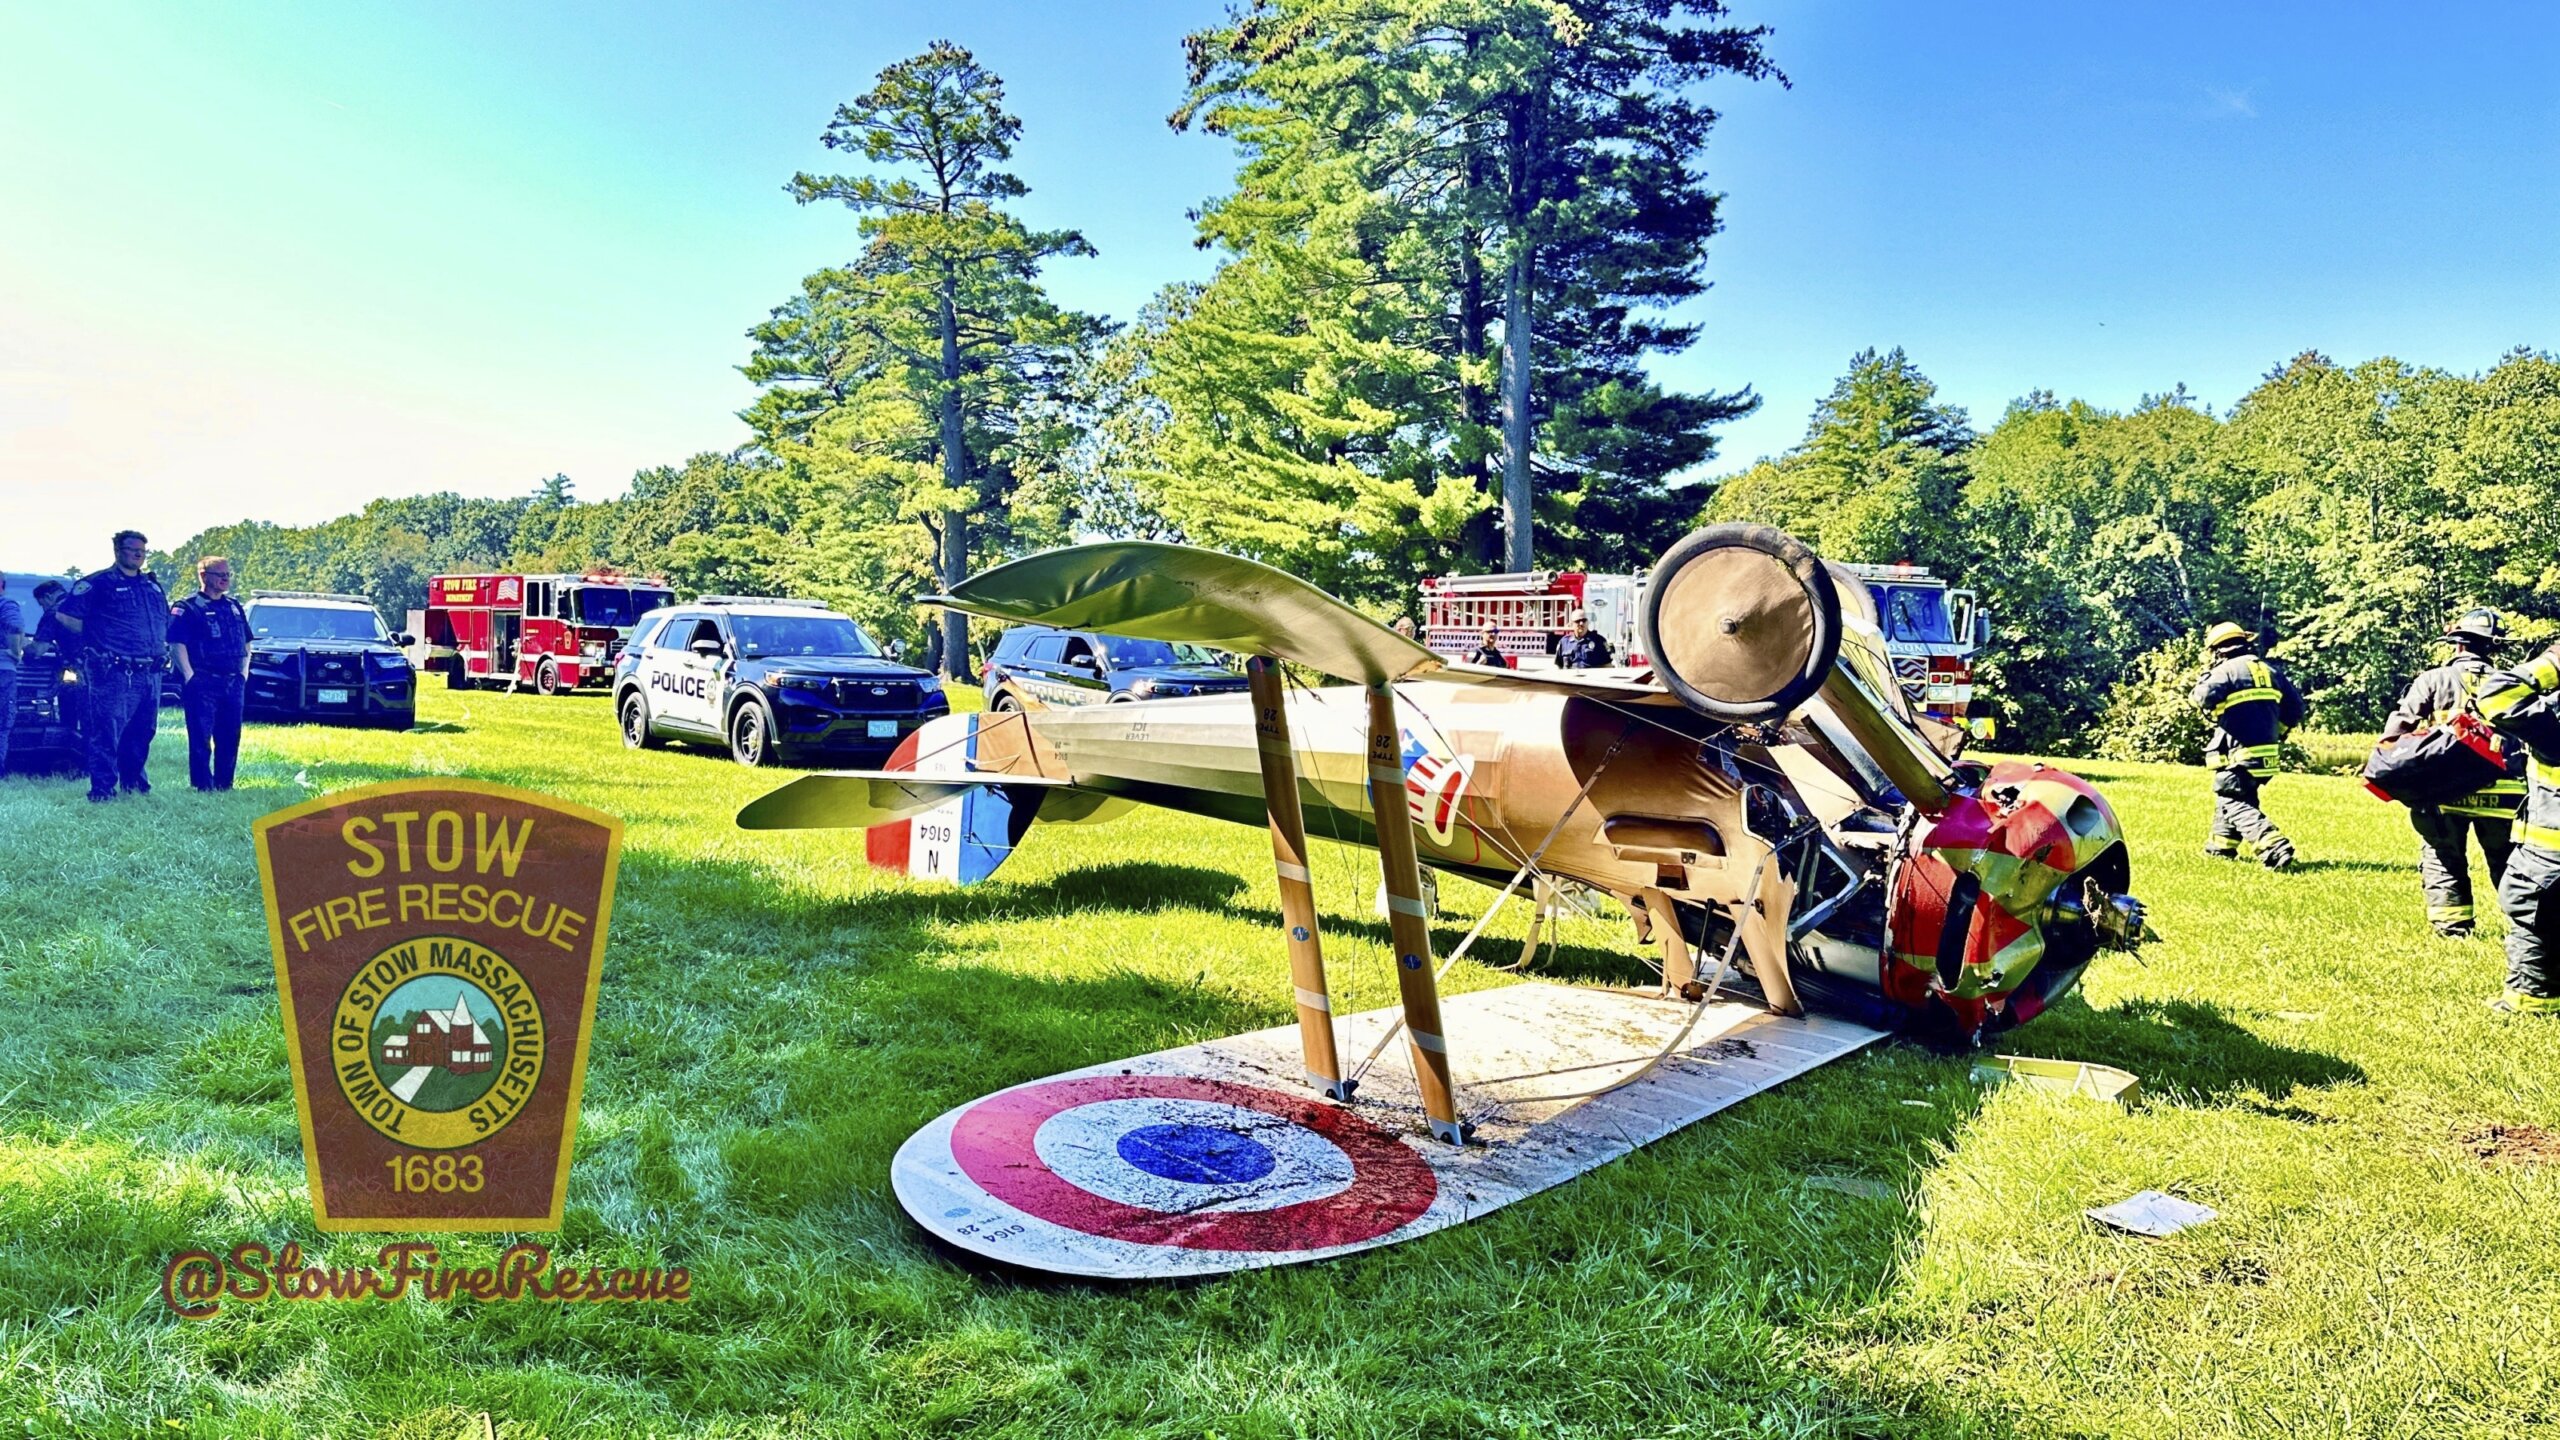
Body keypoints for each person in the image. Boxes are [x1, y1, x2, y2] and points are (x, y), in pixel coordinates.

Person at [2382, 609, 2524, 936]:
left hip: (2446, 792)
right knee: (2508, 862)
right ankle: (2528, 927)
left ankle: (2453, 928)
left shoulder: (2433, 680)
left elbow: (2399, 729)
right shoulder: (2510, 683)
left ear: (2457, 645)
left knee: (2443, 857)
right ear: (2493, 648)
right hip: (2504, 794)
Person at [2477, 638, 2560, 1014]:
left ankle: (2530, 1000)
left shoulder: (2554, 719)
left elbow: (2498, 695)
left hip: (2551, 854)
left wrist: (2552, 664)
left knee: (2529, 905)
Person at [57, 530, 170, 802]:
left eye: (143, 550)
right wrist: (97, 636)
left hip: (149, 671)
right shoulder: (99, 583)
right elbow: (64, 615)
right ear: (118, 551)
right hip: (115, 672)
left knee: (142, 732)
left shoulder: (151, 586)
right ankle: (103, 790)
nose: (138, 554)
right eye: (133, 549)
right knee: (107, 731)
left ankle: (134, 785)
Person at [2192, 620, 2305, 869]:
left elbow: (2200, 698)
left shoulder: (2225, 672)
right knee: (2235, 796)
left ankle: (2274, 847)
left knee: (2233, 798)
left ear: (2219, 650)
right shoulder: (2271, 671)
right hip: (2266, 755)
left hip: (2237, 753)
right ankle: (2220, 848)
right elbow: (2296, 709)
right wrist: (2278, 732)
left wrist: (2204, 679)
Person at [168, 555, 250, 791]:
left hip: (233, 681)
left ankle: (225, 784)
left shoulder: (233, 606)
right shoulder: (187, 607)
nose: (225, 579)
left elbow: (246, 641)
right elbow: (176, 643)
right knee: (201, 737)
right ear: (204, 576)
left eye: (228, 575)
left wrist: (244, 673)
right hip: (203, 680)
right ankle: (202, 785)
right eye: (220, 575)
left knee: (230, 736)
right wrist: (189, 676)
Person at [0, 573, 23, 775]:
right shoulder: (5, 605)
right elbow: (15, 626)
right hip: (2, 670)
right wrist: (15, 652)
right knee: (2, 722)